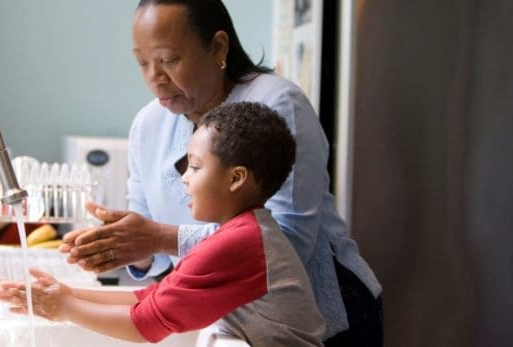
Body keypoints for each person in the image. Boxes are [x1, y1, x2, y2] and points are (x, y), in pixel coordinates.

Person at [59, 0, 383, 345]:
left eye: (168, 60)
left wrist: (157, 238)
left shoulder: (276, 104)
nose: (154, 76)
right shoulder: (147, 125)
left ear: (217, 47)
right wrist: (126, 247)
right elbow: (150, 252)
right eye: (142, 62)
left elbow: (286, 244)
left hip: (326, 321)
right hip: (237, 326)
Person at [0, 102, 326, 345]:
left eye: (195, 167)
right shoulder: (243, 232)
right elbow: (152, 297)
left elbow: (146, 324)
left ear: (236, 178)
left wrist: (64, 308)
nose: (184, 178)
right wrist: (70, 295)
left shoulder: (241, 243)